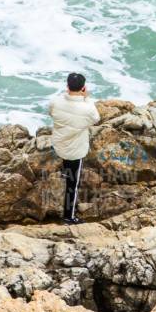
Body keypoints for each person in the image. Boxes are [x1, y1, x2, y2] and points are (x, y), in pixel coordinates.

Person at [47, 72, 99, 224]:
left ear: (67, 86)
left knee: (65, 158)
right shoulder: (87, 108)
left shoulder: (55, 102)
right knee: (73, 184)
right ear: (83, 88)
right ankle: (69, 216)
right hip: (75, 151)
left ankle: (64, 171)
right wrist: (87, 98)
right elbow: (96, 118)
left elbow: (51, 112)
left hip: (58, 144)